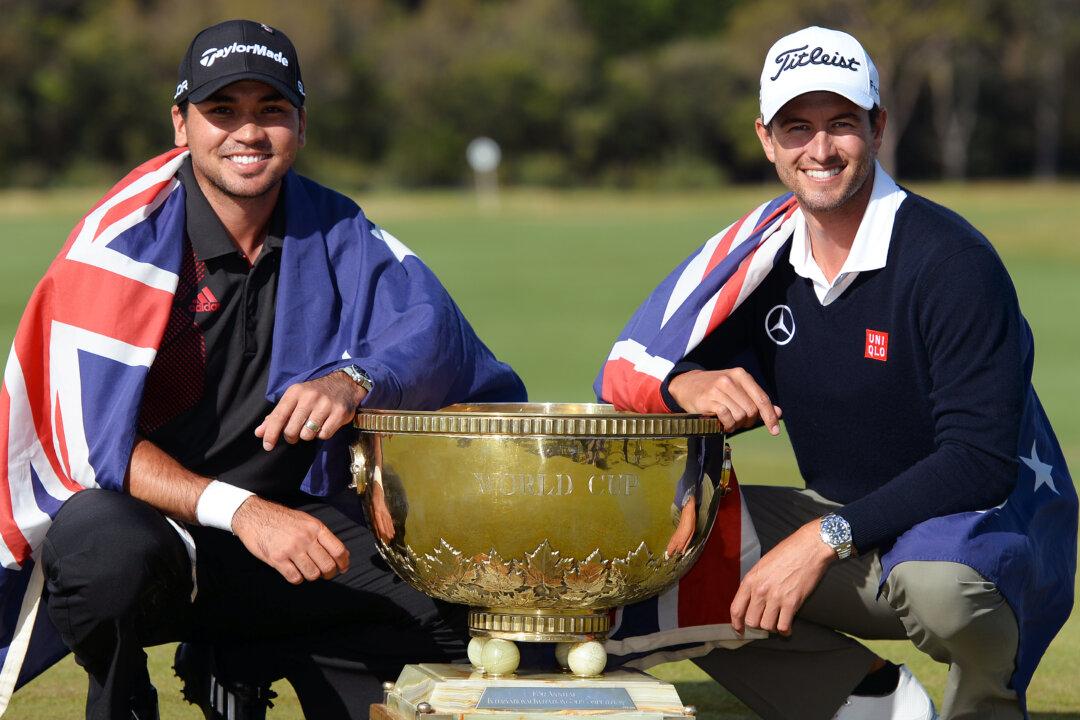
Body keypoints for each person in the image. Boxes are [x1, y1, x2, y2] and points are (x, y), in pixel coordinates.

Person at [0, 19, 526, 720]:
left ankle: (243, 654)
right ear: (181, 124)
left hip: (292, 522)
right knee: (103, 554)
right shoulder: (116, 245)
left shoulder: (336, 228)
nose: (248, 132)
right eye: (223, 111)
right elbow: (95, 445)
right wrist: (241, 511)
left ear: (300, 125)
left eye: (270, 110)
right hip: (153, 525)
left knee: (461, 604)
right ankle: (122, 698)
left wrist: (355, 379)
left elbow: (436, 337)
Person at [596, 26, 1076, 720]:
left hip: (974, 530)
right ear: (767, 140)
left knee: (938, 589)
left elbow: (978, 461)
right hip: (846, 523)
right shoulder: (763, 263)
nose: (820, 150)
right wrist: (685, 384)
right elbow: (669, 357)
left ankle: (986, 708)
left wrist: (822, 540)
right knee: (667, 546)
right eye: (797, 128)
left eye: (841, 124)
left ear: (877, 127)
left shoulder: (952, 261)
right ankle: (869, 704)